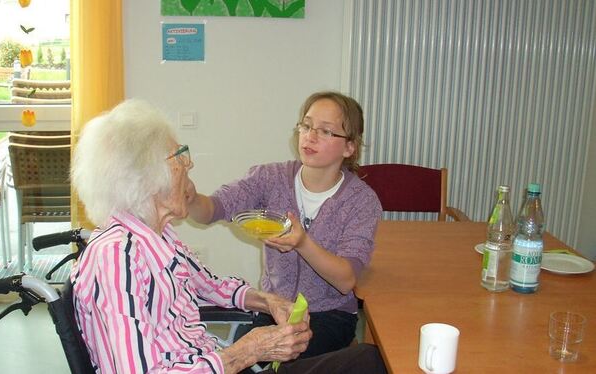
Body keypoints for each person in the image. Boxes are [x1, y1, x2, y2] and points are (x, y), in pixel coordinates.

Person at [70, 99, 386, 373]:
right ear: (148, 177)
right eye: (178, 157)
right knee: (369, 362)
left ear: (349, 146)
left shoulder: (158, 237)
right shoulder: (116, 259)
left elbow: (210, 285)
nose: (189, 163)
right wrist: (245, 352)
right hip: (221, 363)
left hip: (214, 357)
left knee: (367, 359)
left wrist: (268, 301)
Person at [188, 91, 383, 358]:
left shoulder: (361, 201)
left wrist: (302, 242)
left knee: (286, 363)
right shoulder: (270, 177)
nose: (310, 136)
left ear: (349, 147)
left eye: (326, 131)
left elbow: (346, 279)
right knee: (241, 362)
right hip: (275, 308)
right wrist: (188, 198)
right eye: (306, 125)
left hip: (329, 315)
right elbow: (213, 209)